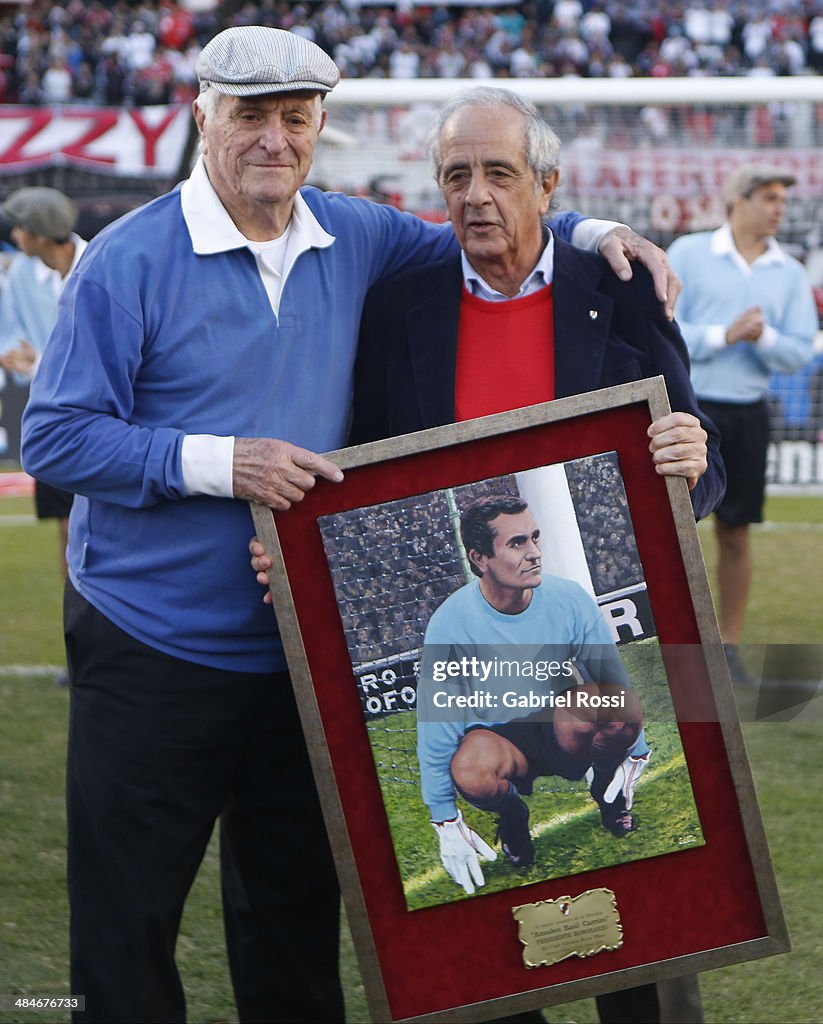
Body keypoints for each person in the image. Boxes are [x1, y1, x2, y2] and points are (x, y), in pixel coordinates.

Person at [20, 28, 679, 1024]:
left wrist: (594, 233)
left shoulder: (357, 234)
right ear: (201, 113)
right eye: (250, 114)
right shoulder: (124, 262)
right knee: (127, 928)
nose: (273, 139)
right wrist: (218, 461)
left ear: (320, 125)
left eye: (295, 117)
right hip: (155, 647)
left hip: (304, 653)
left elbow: (493, 217)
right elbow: (56, 438)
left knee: (291, 923)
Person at [254, 86, 721, 1024]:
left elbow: (692, 456)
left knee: (654, 947)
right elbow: (358, 475)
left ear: (547, 186)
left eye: (499, 174)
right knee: (491, 967)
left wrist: (694, 458)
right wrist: (297, 560)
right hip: (475, 664)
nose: (475, 194)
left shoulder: (619, 288)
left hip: (580, 636)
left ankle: (613, 796)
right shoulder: (400, 305)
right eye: (455, 175)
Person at [417, 493, 649, 888]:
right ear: (480, 558)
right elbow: (437, 723)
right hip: (498, 738)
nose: (535, 552)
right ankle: (512, 817)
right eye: (517, 543)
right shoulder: (450, 625)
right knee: (471, 771)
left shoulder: (569, 598)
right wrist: (444, 817)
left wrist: (634, 751)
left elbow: (612, 682)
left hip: (561, 725)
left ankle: (607, 790)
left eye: (535, 538)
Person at [667, 164, 817, 685]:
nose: (779, 208)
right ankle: (675, 651)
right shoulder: (688, 252)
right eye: (770, 198)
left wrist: (763, 339)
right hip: (687, 410)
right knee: (668, 533)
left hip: (749, 413)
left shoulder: (789, 272)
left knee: (736, 533)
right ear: (738, 201)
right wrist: (722, 335)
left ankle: (727, 649)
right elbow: (664, 324)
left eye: (783, 199)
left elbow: (800, 350)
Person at [0, 187, 87, 687]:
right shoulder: (20, 279)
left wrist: (40, 363)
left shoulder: (104, 259)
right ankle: (80, 654)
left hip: (110, 425)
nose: (13, 237)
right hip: (55, 425)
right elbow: (12, 341)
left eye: (18, 228)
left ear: (37, 232)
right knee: (68, 534)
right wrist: (23, 361)